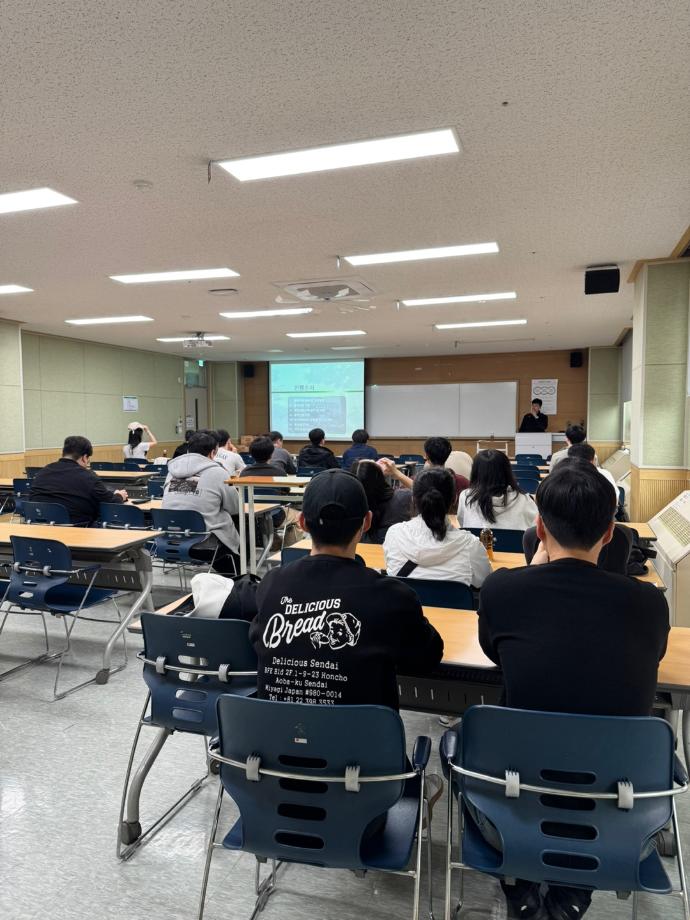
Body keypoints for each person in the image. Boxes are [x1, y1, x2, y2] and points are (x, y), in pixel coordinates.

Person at [477, 461, 669, 920]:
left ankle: (522, 887)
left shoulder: (502, 591)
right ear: (610, 533)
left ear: (540, 528)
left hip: (512, 803)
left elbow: (494, 651)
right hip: (616, 812)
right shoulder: (648, 604)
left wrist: (535, 565)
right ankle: (571, 894)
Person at [248, 468, 444, 710]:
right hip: (363, 735)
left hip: (280, 733)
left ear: (302, 522)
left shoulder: (271, 584)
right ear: (366, 522)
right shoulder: (393, 596)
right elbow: (427, 658)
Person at [384, 468, 491, 585]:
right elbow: (483, 582)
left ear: (413, 499)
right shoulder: (470, 545)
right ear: (454, 499)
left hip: (406, 597)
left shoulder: (394, 535)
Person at [163, 430, 240, 574]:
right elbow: (235, 507)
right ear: (213, 453)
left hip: (170, 540)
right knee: (238, 526)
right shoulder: (218, 472)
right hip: (205, 544)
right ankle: (236, 578)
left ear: (188, 449)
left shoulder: (172, 472)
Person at [29, 435, 128, 526]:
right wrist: (119, 496)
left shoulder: (42, 472)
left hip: (39, 529)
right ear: (84, 458)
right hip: (77, 531)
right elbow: (111, 504)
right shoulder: (88, 477)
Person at [378, 436, 469, 508]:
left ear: (426, 456)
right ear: (448, 455)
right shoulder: (463, 481)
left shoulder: (414, 481)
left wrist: (397, 473)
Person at [458, 449, 537, 530]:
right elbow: (535, 528)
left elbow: (463, 524)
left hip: (476, 538)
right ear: (507, 471)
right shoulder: (525, 500)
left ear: (475, 472)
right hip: (513, 539)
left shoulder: (466, 497)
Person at [351, 458, 412, 543]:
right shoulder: (403, 497)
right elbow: (424, 493)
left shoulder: (351, 504)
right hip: (398, 547)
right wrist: (397, 473)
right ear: (379, 476)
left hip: (364, 548)